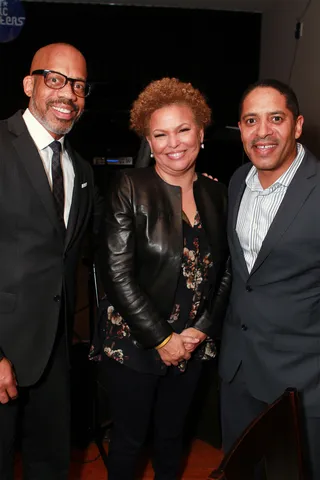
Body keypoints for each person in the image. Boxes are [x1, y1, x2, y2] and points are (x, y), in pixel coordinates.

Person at [90, 77, 229, 479]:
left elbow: (228, 271)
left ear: (201, 132)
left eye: (183, 129)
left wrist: (199, 331)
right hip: (135, 343)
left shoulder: (218, 195)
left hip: (193, 343)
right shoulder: (129, 187)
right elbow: (117, 274)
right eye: (160, 134)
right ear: (149, 142)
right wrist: (163, 340)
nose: (174, 143)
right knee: (130, 442)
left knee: (173, 438)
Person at [0, 43, 103, 479]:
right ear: (29, 84)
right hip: (3, 352)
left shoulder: (81, 169)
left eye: (78, 85)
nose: (68, 94)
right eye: (56, 79)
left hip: (56, 355)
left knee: (50, 466)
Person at [218, 78, 320, 478]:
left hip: (301, 381)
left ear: (297, 125)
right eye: (250, 120)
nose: (262, 132)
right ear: (240, 129)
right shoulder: (236, 182)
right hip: (238, 371)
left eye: (275, 118)